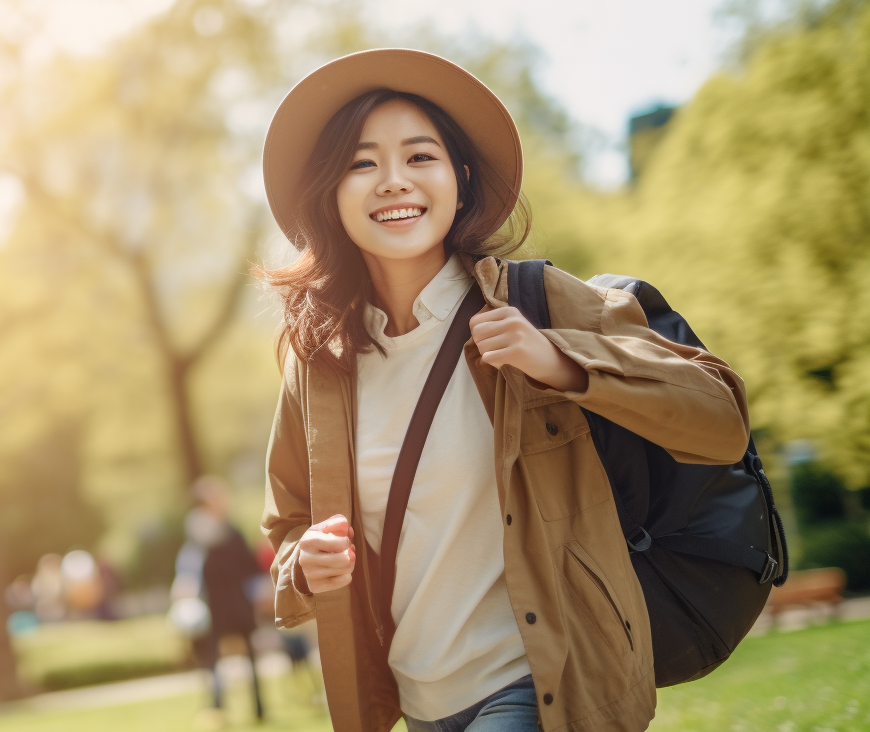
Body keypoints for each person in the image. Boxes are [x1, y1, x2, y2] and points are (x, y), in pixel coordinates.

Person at [257, 49, 751, 732]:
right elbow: (286, 528)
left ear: (460, 179)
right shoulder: (321, 367)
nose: (393, 182)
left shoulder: (533, 301)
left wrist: (564, 362)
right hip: (415, 702)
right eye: (361, 163)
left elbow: (720, 415)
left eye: (420, 157)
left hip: (537, 684)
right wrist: (304, 568)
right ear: (329, 192)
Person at [172, 476, 268, 725]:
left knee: (249, 658)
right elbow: (192, 570)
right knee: (213, 660)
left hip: (236, 602)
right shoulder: (200, 533)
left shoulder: (231, 531)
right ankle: (218, 708)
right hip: (214, 605)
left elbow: (250, 568)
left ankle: (258, 708)